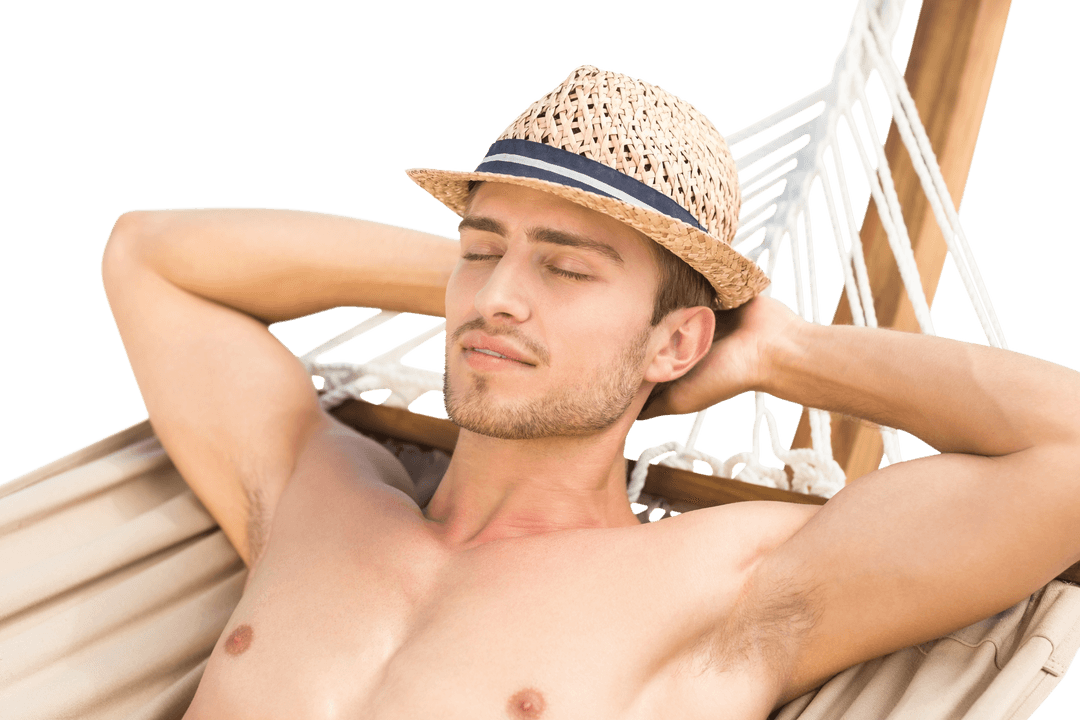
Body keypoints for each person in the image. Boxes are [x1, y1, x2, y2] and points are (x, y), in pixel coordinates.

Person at [99, 64, 1080, 719]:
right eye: (479, 254)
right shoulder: (312, 489)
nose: (500, 299)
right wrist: (491, 282)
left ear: (677, 339)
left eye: (569, 271)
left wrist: (777, 352)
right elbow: (147, 254)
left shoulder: (724, 590)